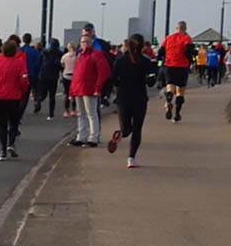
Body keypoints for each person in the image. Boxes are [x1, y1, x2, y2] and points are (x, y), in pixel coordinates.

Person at [107, 33, 158, 168]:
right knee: (137, 129)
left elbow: (113, 79)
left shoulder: (120, 61)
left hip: (123, 98)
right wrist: (150, 78)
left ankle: (120, 133)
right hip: (139, 98)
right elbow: (151, 81)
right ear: (142, 47)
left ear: (128, 45)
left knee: (126, 128)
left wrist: (116, 85)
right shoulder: (146, 62)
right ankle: (131, 158)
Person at [0, 40, 30, 160]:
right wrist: (23, 89)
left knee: (2, 125)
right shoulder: (20, 63)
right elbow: (24, 79)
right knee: (14, 122)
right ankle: (11, 143)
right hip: (14, 97)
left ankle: (2, 151)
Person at [69, 33, 110, 148]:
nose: (85, 44)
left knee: (91, 114)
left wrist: (97, 87)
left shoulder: (96, 55)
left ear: (91, 43)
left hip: (90, 89)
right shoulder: (80, 56)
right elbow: (76, 74)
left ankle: (93, 137)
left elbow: (103, 72)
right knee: (81, 114)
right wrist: (72, 91)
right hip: (79, 89)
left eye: (87, 42)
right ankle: (81, 136)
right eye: (83, 42)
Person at [162, 21, 194, 122]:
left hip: (169, 65)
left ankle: (169, 97)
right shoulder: (187, 38)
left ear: (176, 28)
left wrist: (164, 59)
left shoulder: (168, 38)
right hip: (182, 66)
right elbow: (188, 51)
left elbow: (161, 51)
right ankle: (177, 114)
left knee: (170, 84)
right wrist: (190, 61)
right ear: (185, 28)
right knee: (180, 90)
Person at [36, 38, 63, 120]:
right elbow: (61, 65)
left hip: (43, 75)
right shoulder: (59, 54)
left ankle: (38, 101)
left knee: (43, 93)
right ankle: (51, 114)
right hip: (53, 76)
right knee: (52, 96)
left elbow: (40, 63)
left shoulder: (45, 52)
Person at [21, 33, 42, 113]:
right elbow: (38, 64)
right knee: (35, 89)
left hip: (23, 74)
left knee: (23, 94)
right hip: (32, 73)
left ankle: (20, 111)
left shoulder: (20, 51)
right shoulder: (35, 51)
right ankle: (37, 101)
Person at [61, 42, 77, 116]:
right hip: (75, 76)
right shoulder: (77, 56)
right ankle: (73, 110)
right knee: (75, 94)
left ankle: (66, 111)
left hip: (66, 76)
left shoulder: (64, 56)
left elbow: (62, 64)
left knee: (67, 93)